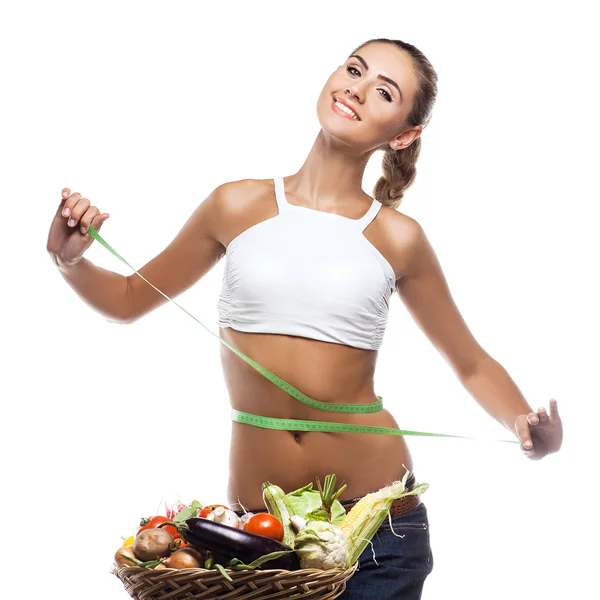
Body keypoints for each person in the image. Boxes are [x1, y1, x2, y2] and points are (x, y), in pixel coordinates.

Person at [46, 37, 563, 599]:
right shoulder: (234, 205)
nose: (357, 89)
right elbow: (126, 299)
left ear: (404, 134)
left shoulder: (398, 238)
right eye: (354, 69)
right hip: (261, 538)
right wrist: (70, 260)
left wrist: (521, 423)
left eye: (384, 92)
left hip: (374, 530)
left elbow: (470, 362)